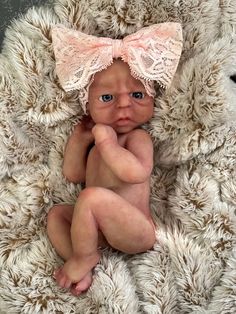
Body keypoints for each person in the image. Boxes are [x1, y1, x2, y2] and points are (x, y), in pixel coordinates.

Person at [47, 23, 183, 296]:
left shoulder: (136, 138)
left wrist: (107, 142)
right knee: (57, 215)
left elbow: (137, 173)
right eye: (107, 97)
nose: (123, 105)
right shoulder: (97, 144)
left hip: (135, 231)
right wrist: (79, 140)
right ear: (88, 105)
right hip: (98, 230)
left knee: (91, 198)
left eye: (137, 95)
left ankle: (85, 257)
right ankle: (82, 262)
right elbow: (73, 175)